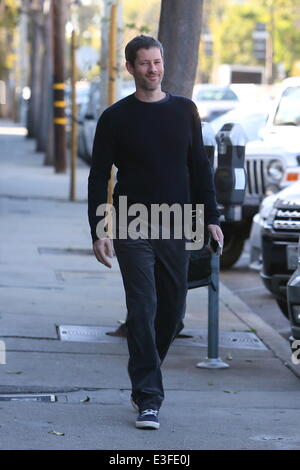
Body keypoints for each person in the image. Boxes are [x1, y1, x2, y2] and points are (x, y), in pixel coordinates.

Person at [88, 35, 223, 430]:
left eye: (158, 62)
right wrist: (99, 230)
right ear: (130, 67)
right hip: (132, 223)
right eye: (144, 63)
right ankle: (149, 397)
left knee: (173, 310)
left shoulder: (185, 112)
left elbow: (199, 168)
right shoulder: (114, 118)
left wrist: (211, 217)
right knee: (142, 309)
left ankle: (147, 374)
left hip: (177, 222)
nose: (153, 69)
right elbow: (100, 177)